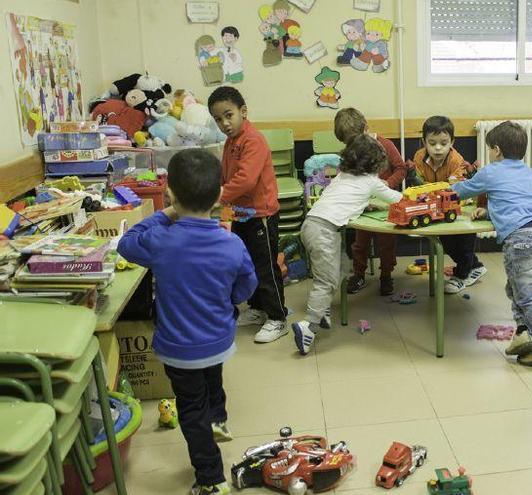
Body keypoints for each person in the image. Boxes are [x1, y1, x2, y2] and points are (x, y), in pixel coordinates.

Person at [118, 149, 257, 495]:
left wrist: (165, 214)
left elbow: (126, 244)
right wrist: (227, 300)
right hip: (219, 340)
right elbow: (247, 284)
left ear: (170, 194)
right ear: (219, 195)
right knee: (211, 377)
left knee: (190, 409)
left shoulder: (161, 239)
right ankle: (219, 419)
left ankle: (211, 478)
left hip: (178, 350)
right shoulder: (232, 242)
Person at [450, 121, 532, 366]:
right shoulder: (528, 172)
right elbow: (517, 203)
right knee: (516, 288)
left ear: (496, 150)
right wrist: (489, 213)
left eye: (489, 149)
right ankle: (523, 334)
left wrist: (442, 190)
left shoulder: (491, 171)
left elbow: (462, 191)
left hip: (519, 239)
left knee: (527, 295)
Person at [292, 134, 403, 355]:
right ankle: (309, 326)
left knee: (342, 268)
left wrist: (364, 204)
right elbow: (396, 198)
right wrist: (420, 197)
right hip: (324, 231)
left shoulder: (343, 176)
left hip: (311, 225)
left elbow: (347, 199)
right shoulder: (371, 181)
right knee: (326, 281)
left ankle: (322, 310)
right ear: (374, 165)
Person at [209, 86, 287, 343]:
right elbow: (226, 177)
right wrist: (225, 213)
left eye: (228, 115)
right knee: (247, 265)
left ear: (243, 111)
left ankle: (278, 318)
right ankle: (258, 308)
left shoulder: (253, 140)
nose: (224, 123)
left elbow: (245, 181)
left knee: (265, 267)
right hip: (241, 214)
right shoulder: (231, 142)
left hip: (260, 214)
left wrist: (216, 197)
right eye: (218, 119)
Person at [409, 115, 487, 293]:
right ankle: (476, 266)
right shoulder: (419, 157)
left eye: (443, 143)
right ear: (424, 142)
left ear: (452, 141)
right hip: (434, 207)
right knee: (446, 241)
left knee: (464, 239)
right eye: (432, 142)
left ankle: (462, 275)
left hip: (459, 207)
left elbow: (455, 188)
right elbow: (418, 183)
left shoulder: (456, 160)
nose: (437, 148)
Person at [334, 107, 407, 296]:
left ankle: (386, 275)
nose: (353, 147)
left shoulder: (386, 144)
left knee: (386, 243)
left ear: (366, 129)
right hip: (364, 205)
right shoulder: (353, 150)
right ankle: (358, 274)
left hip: (387, 204)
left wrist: (388, 183)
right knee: (360, 243)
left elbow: (401, 168)